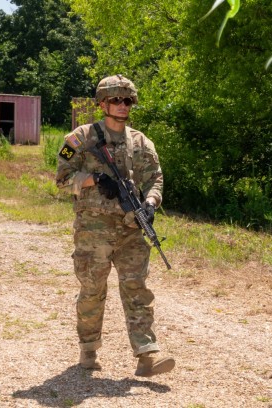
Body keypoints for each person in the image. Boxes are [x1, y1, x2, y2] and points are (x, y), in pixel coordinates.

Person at [55, 74, 175, 377]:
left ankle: (147, 354)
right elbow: (61, 177)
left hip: (130, 229)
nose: (122, 105)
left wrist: (150, 203)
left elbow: (155, 179)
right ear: (102, 104)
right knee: (92, 290)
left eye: (127, 100)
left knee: (137, 288)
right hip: (93, 231)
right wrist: (93, 179)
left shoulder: (141, 142)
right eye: (115, 100)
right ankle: (89, 349)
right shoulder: (79, 138)